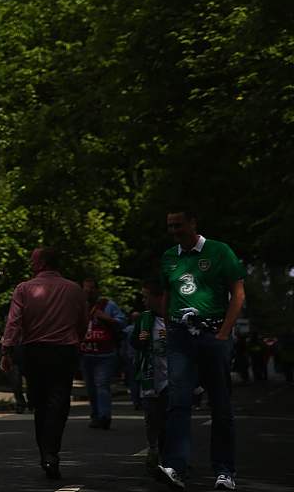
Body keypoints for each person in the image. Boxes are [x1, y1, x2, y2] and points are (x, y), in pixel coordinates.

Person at [157, 209, 245, 491]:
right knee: (178, 402)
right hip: (180, 337)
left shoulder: (220, 251)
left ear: (194, 223)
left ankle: (224, 471)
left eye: (179, 225)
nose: (174, 231)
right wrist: (169, 327)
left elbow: (238, 293)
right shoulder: (170, 257)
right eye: (170, 226)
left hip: (212, 334)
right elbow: (166, 295)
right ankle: (176, 467)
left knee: (220, 405)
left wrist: (223, 334)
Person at [0, 247, 88, 480]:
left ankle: (46, 453)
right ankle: (52, 452)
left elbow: (14, 322)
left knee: (39, 404)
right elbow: (82, 322)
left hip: (35, 351)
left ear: (42, 263)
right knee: (58, 404)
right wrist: (77, 341)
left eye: (33, 259)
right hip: (64, 352)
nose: (30, 263)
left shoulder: (24, 289)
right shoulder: (74, 289)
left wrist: (6, 350)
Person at [79, 278, 127, 429]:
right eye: (86, 289)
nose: (89, 292)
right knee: (91, 387)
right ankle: (96, 414)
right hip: (86, 353)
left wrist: (106, 318)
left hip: (105, 354)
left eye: (92, 289)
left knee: (101, 384)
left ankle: (104, 416)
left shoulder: (108, 305)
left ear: (97, 290)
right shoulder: (79, 306)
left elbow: (122, 323)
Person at [133, 279, 170, 476]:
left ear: (159, 297)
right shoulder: (144, 319)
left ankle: (171, 456)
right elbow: (134, 344)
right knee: (152, 418)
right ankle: (153, 448)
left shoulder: (175, 318)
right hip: (150, 376)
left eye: (146, 297)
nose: (144, 301)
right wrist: (140, 341)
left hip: (170, 376)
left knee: (169, 418)